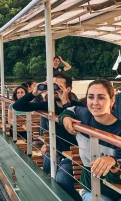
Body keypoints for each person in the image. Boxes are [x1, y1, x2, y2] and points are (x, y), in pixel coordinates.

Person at [59, 79, 121, 201]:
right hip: (92, 189)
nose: (95, 102)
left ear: (112, 100)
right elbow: (71, 110)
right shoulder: (84, 115)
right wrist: (65, 118)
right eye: (91, 97)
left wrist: (113, 162)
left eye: (101, 97)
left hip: (120, 191)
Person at [13, 73, 85, 201]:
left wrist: (64, 102)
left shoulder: (79, 107)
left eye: (58, 87)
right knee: (44, 174)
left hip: (75, 155)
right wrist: (34, 93)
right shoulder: (48, 105)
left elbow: (71, 116)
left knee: (61, 180)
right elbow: (18, 106)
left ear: (68, 90)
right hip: (55, 151)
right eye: (52, 86)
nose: (54, 90)